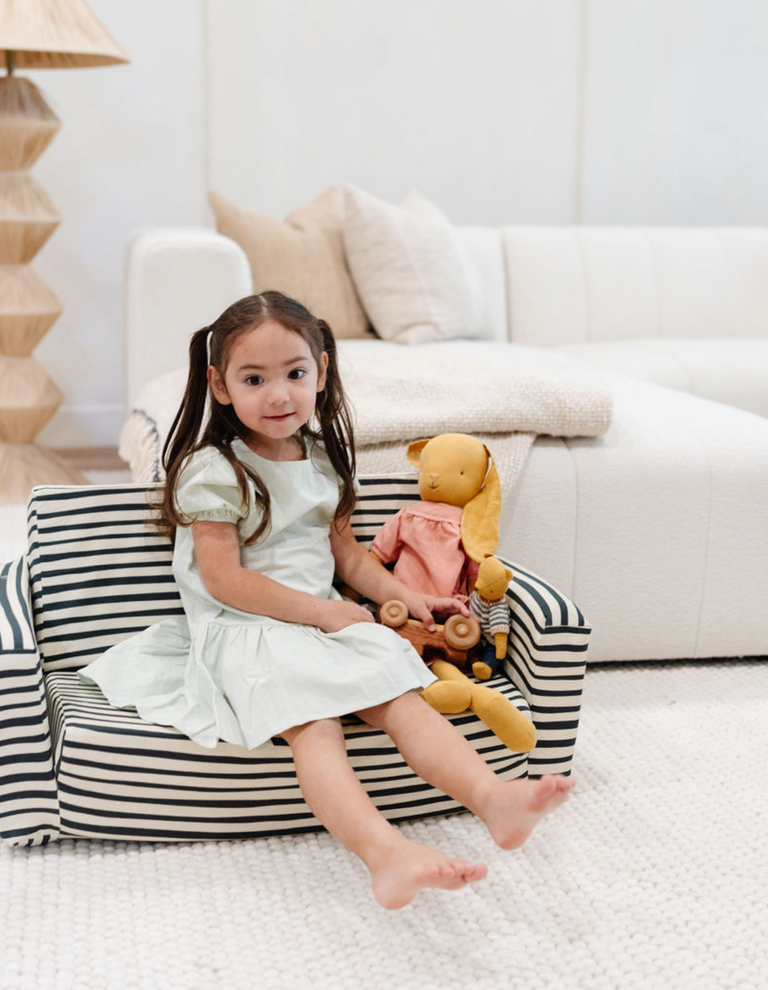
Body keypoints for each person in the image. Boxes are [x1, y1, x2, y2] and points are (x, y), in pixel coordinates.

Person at [80, 291, 575, 910]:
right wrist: (326, 612)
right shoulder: (213, 469)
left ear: (321, 369)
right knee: (317, 728)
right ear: (221, 385)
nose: (279, 394)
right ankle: (384, 853)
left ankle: (492, 797)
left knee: (404, 700)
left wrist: (406, 597)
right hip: (247, 631)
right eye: (254, 378)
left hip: (323, 625)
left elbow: (347, 557)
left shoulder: (324, 462)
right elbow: (225, 582)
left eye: (295, 373)